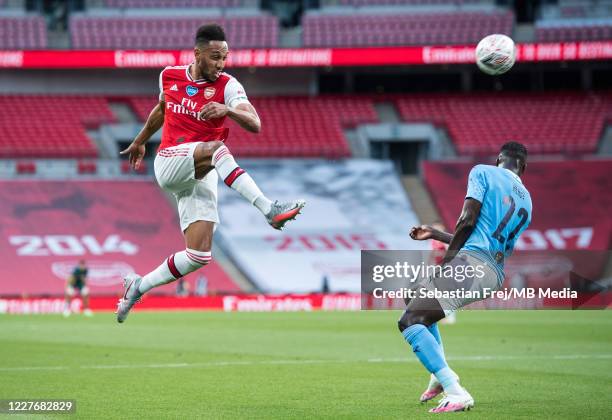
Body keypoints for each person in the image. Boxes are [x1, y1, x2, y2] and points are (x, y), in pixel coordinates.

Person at [116, 24, 305, 323]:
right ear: (198, 53)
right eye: (215, 57)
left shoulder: (229, 86)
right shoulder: (169, 75)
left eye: (225, 58)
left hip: (201, 171)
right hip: (169, 161)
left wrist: (227, 111)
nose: (220, 64)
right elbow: (162, 110)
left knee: (199, 255)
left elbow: (255, 123)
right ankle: (269, 208)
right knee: (217, 147)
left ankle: (138, 287)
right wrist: (140, 141)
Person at [403, 142, 532, 413]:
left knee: (410, 321)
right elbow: (487, 242)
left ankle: (454, 389)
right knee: (413, 294)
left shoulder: (483, 172)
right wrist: (436, 234)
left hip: (472, 265)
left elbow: (467, 219)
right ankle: (438, 375)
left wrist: (447, 261)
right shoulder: (527, 202)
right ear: (524, 167)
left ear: (499, 158)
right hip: (492, 271)